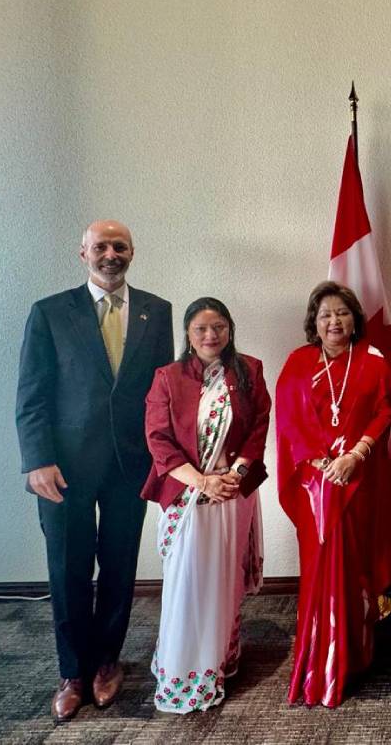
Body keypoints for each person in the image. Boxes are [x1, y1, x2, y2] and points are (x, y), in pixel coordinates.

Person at [15, 219, 174, 721]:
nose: (111, 254)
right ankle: (72, 671)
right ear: (82, 253)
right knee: (68, 569)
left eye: (119, 246)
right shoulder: (49, 312)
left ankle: (107, 661)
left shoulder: (157, 311)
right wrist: (37, 460)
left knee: (120, 566)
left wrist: (165, 458)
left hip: (131, 463)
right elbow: (32, 393)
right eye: (100, 246)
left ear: (132, 252)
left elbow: (161, 394)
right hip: (63, 468)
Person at [275, 281, 391, 708]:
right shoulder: (298, 362)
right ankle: (318, 661)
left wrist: (355, 455)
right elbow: (288, 420)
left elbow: (383, 413)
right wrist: (322, 465)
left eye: (342, 313)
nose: (334, 321)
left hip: (357, 480)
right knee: (319, 567)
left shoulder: (373, 361)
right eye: (325, 315)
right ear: (314, 323)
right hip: (314, 487)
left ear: (355, 319)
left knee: (353, 565)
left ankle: (352, 656)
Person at [140, 297, 271, 714]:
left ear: (230, 329)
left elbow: (259, 425)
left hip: (233, 491)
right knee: (189, 584)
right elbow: (158, 439)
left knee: (223, 580)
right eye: (201, 328)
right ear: (188, 333)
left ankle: (219, 659)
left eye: (219, 327)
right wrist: (202, 482)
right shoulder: (168, 377)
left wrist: (235, 474)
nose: (211, 335)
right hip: (188, 492)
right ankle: (184, 672)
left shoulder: (249, 370)